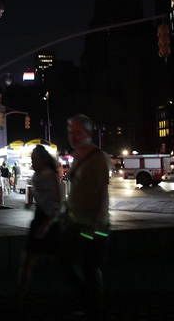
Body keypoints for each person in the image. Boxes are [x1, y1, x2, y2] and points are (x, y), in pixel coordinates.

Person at [61, 114, 110, 321]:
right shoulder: (77, 156)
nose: (73, 136)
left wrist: (97, 225)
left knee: (90, 267)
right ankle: (87, 303)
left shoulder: (96, 157)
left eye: (78, 131)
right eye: (70, 131)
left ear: (89, 133)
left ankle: (94, 309)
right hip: (76, 221)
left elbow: (102, 193)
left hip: (93, 226)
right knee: (68, 262)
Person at [18, 145, 63, 298]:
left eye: (34, 159)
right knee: (29, 258)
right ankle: (23, 292)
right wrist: (30, 201)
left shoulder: (51, 175)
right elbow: (38, 194)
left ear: (43, 160)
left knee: (49, 259)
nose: (32, 162)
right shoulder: (37, 174)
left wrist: (47, 224)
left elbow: (58, 202)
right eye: (32, 159)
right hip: (40, 218)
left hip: (49, 220)